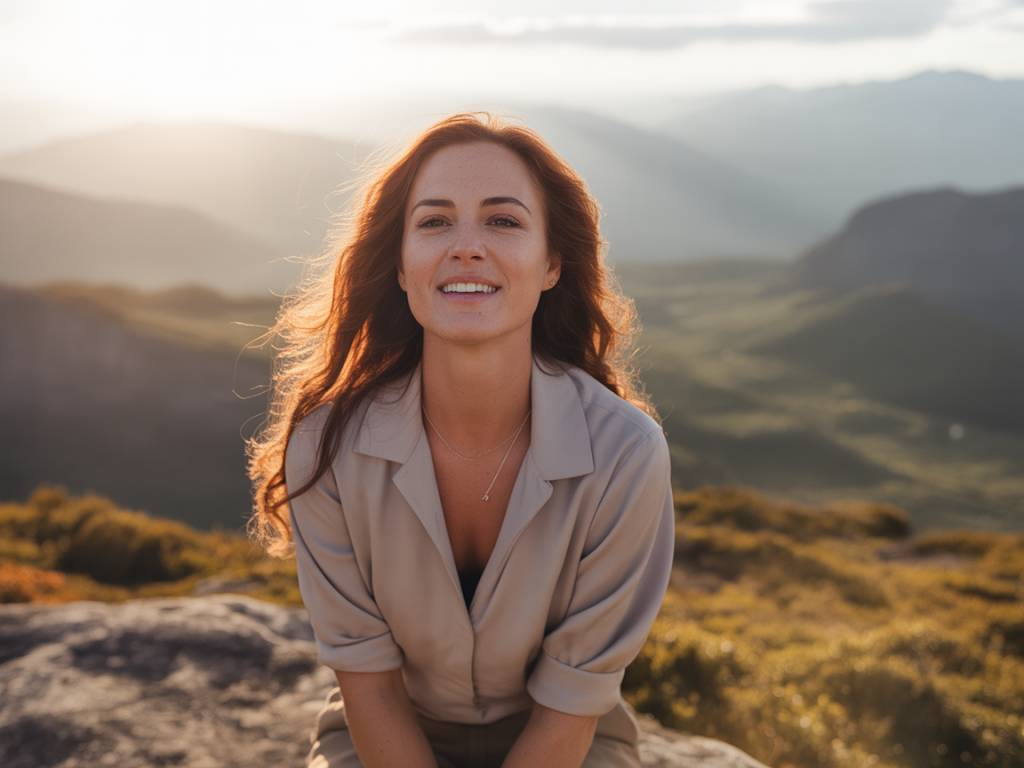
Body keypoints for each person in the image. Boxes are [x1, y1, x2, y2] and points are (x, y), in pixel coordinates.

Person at [246, 111, 675, 768]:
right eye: (434, 222)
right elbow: (370, 688)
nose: (466, 246)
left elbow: (570, 707)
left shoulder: (626, 454)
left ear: (552, 263)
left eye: (502, 221)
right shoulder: (327, 447)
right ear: (400, 264)